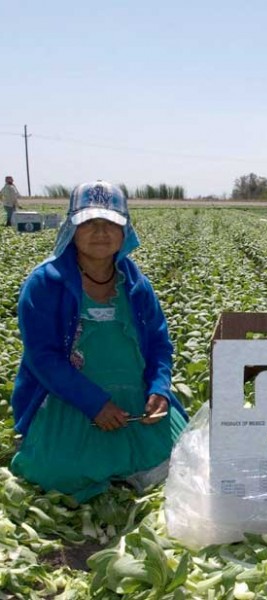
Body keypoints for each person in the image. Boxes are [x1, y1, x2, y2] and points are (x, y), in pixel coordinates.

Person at [10, 180, 189, 502]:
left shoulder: (137, 285)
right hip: (70, 399)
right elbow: (43, 358)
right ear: (71, 228)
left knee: (182, 459)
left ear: (125, 231)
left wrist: (159, 390)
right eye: (89, 222)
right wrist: (95, 404)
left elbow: (160, 345)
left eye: (110, 223)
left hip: (134, 402)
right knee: (59, 472)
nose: (101, 232)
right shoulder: (44, 284)